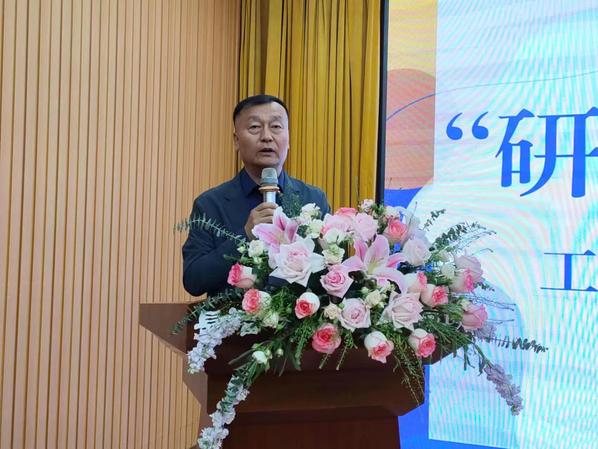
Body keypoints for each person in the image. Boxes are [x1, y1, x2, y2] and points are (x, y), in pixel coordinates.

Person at [182, 95, 330, 297]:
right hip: (232, 316)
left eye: (276, 127)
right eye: (254, 127)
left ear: (288, 138)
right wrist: (244, 237)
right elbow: (193, 280)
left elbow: (333, 271)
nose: (267, 136)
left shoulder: (313, 199)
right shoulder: (210, 205)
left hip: (299, 315)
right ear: (236, 140)